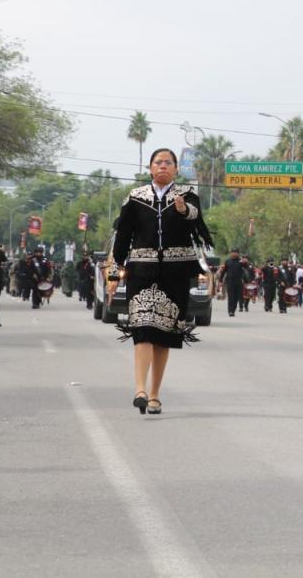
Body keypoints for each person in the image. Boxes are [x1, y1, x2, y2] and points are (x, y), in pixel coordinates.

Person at [113, 148, 212, 414]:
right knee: (142, 328)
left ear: (176, 169)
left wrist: (183, 211)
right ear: (150, 168)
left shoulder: (187, 195)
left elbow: (197, 222)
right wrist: (115, 270)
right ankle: (140, 390)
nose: (163, 166)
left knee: (163, 335)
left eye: (168, 162)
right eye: (158, 162)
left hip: (175, 273)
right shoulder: (135, 197)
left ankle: (155, 394)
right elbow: (123, 235)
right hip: (141, 271)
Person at [217, 247, 248, 317]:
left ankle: (233, 309)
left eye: (235, 252)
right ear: (231, 253)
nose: (234, 254)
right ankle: (230, 311)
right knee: (231, 296)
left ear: (238, 253)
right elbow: (223, 272)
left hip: (238, 281)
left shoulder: (241, 261)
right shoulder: (227, 261)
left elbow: (246, 267)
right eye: (233, 252)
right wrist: (220, 281)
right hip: (229, 281)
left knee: (236, 297)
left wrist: (245, 262)